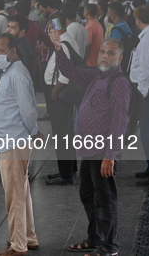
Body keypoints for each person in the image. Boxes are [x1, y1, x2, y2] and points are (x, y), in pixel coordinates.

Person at [51, 33, 131, 256]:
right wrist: (58, 48)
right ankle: (95, 238)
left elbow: (119, 121)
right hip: (88, 150)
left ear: (120, 58)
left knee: (105, 200)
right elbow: (71, 72)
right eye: (103, 52)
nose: (105, 56)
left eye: (111, 53)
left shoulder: (119, 83)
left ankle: (110, 246)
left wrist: (110, 156)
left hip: (102, 152)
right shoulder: (97, 75)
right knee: (88, 195)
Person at [0, 33, 39, 256]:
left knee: (14, 195)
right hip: (11, 139)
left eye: (1, 51)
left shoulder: (17, 74)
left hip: (13, 141)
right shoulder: (11, 72)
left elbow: (27, 109)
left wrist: (33, 132)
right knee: (22, 191)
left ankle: (18, 246)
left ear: (13, 51)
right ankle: (28, 238)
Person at [44, 12, 79, 185]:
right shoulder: (66, 40)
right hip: (60, 92)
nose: (49, 28)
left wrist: (55, 92)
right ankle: (69, 170)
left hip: (59, 93)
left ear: (56, 25)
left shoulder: (63, 43)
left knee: (61, 134)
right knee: (66, 133)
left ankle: (65, 174)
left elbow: (66, 74)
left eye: (51, 25)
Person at [130, 6, 149, 186]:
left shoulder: (147, 40)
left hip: (148, 88)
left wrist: (142, 94)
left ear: (138, 21)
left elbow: (147, 69)